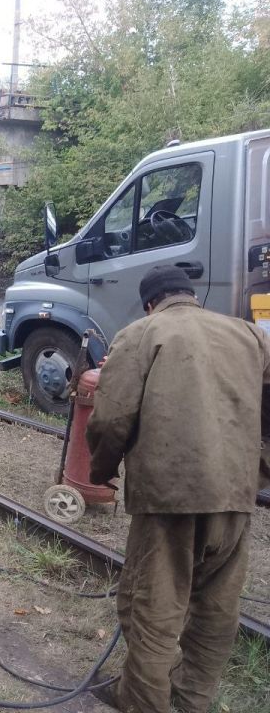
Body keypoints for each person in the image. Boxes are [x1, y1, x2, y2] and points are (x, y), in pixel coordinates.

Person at [86, 265, 270, 713]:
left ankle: (144, 705)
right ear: (191, 297)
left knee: (152, 613)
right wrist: (260, 469)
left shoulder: (141, 333)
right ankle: (190, 703)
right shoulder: (251, 336)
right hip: (235, 498)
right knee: (214, 613)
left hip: (169, 501)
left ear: (151, 302)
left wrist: (102, 469)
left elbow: (112, 418)